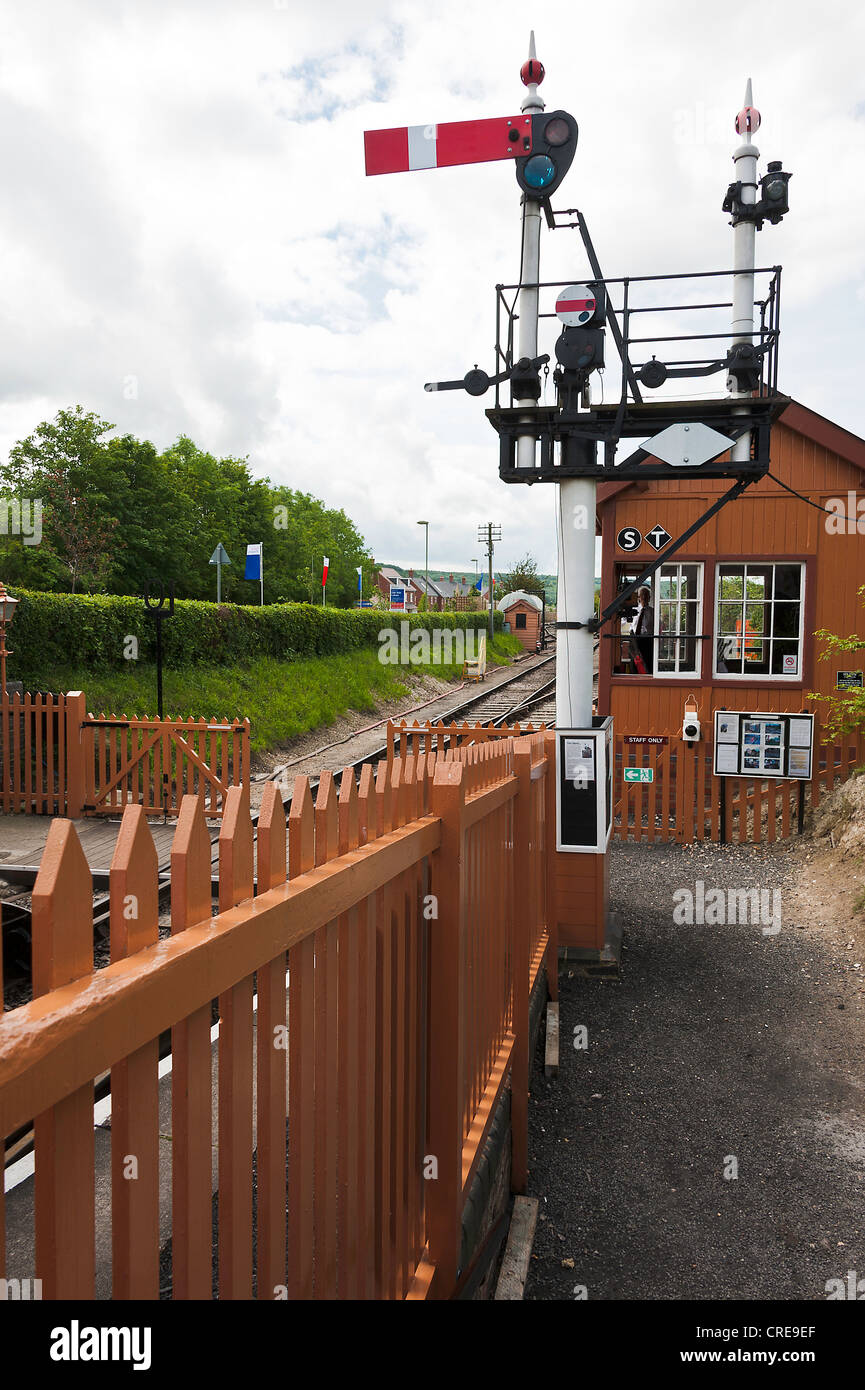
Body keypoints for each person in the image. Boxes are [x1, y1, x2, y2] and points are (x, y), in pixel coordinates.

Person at [630, 586, 654, 674]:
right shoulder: (633, 610)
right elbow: (623, 622)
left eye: (646, 595)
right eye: (642, 595)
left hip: (647, 640)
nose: (644, 597)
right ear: (638, 597)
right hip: (634, 639)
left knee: (648, 661)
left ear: (649, 598)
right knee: (634, 662)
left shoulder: (652, 612)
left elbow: (658, 625)